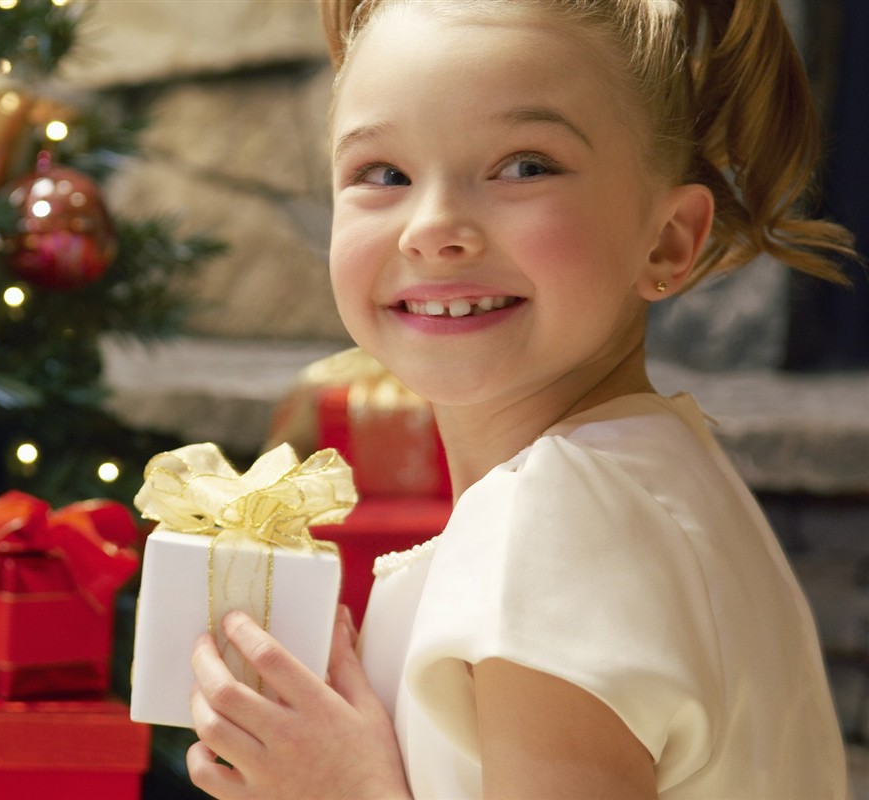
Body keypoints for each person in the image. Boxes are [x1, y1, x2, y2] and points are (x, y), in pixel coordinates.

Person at [184, 0, 859, 798]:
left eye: (525, 166)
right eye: (384, 174)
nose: (433, 228)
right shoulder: (653, 472)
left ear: (669, 238)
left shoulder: (558, 518)